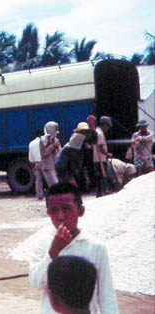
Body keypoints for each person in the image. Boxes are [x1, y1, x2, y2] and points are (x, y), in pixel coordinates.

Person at [28, 182, 119, 314]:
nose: (60, 216)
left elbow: (106, 296)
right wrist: (53, 253)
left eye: (67, 209)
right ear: (48, 213)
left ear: (80, 211)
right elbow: (36, 283)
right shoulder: (43, 243)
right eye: (54, 210)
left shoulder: (95, 247)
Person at [93, 116, 113, 197]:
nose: (108, 128)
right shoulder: (100, 133)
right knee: (101, 176)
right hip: (100, 159)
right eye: (107, 126)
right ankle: (102, 192)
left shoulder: (97, 132)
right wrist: (107, 154)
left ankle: (100, 192)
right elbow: (101, 147)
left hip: (97, 158)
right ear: (104, 124)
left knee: (99, 177)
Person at [40, 121, 61, 187]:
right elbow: (43, 153)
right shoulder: (43, 141)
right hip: (48, 167)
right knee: (54, 186)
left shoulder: (56, 140)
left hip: (55, 166)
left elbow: (60, 152)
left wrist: (57, 147)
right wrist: (52, 146)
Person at [29, 129, 45, 199]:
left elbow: (30, 157)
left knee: (38, 180)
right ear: (41, 135)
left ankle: (39, 195)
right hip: (45, 162)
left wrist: (33, 163)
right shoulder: (44, 142)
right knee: (49, 178)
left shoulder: (31, 143)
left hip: (36, 163)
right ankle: (52, 193)